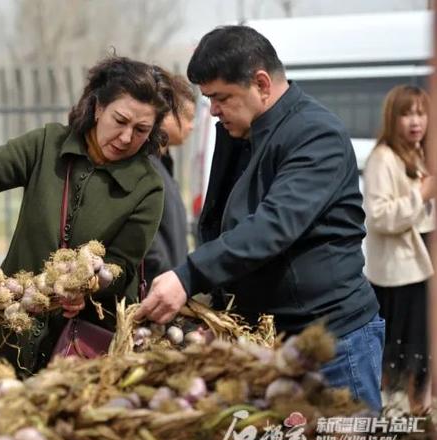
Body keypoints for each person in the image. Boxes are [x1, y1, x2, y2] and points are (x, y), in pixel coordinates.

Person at [135, 25, 385, 412]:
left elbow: (271, 227)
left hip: (331, 342)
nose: (213, 110)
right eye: (208, 100)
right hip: (269, 340)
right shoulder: (244, 132)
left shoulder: (316, 136)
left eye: (220, 98)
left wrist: (189, 276)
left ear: (262, 83)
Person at [0, 56, 174, 403]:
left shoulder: (148, 185)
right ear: (98, 107)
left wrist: (89, 286)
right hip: (16, 321)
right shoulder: (49, 144)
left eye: (141, 130)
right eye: (120, 120)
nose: (125, 137)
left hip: (84, 342)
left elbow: (122, 264)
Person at [363, 85, 435, 413]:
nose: (415, 121)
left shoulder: (419, 155)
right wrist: (420, 195)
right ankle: (395, 422)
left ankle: (419, 418)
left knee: (421, 358)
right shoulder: (383, 157)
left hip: (420, 269)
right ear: (393, 118)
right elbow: (378, 217)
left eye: (420, 113)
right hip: (398, 275)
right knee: (400, 358)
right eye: (406, 114)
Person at [142, 73, 196, 288]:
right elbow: (147, 242)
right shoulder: (146, 167)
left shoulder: (162, 164)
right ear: (165, 116)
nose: (192, 126)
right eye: (188, 117)